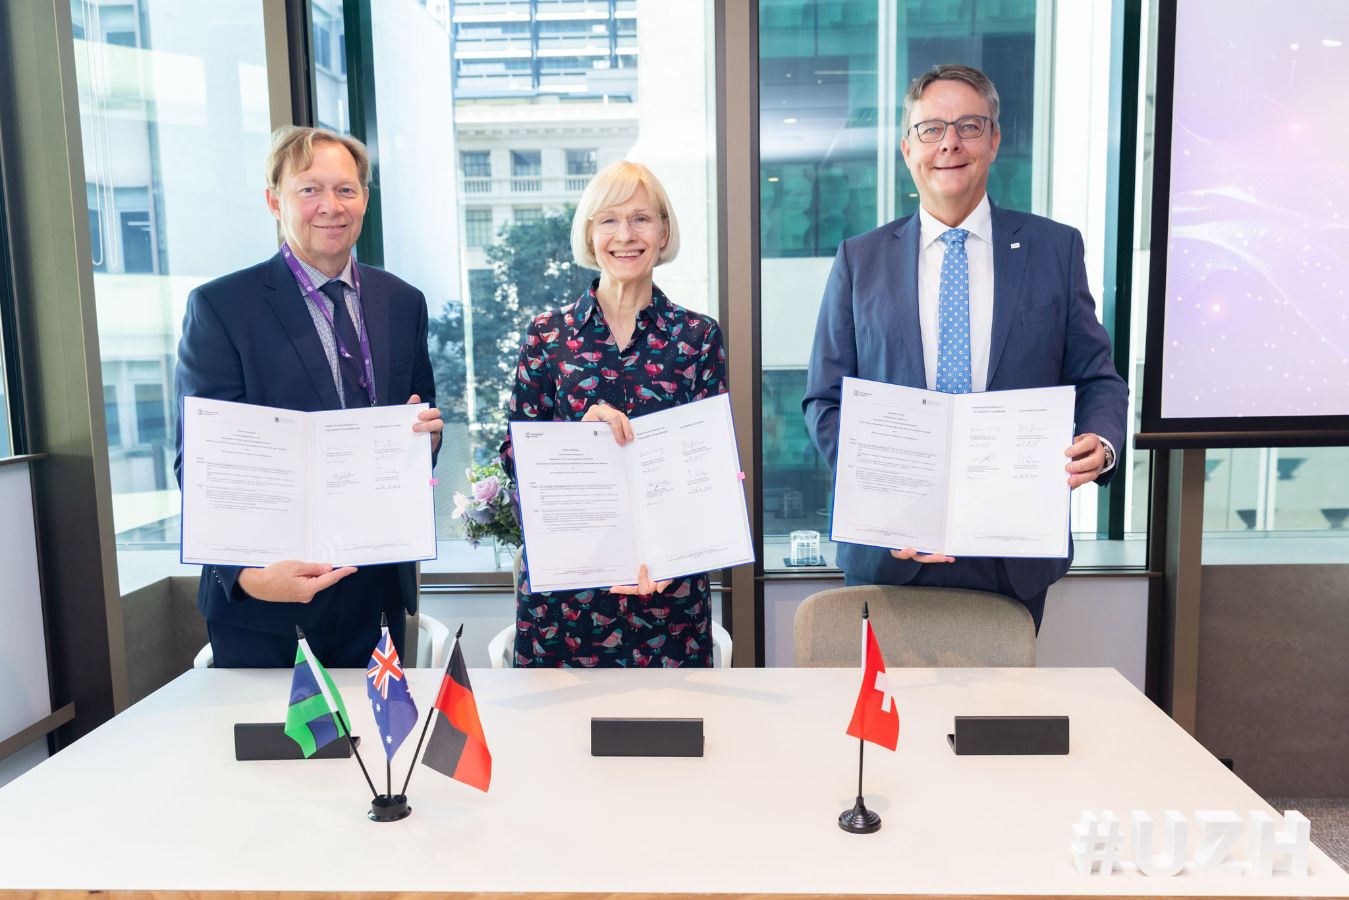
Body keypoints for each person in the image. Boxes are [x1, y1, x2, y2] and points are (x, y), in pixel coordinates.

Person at [803, 64, 1129, 630]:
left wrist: (1101, 444)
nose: (949, 143)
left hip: (1011, 552)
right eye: (931, 129)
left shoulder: (1054, 249)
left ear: (994, 140)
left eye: (969, 126)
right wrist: (881, 499)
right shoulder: (860, 259)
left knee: (997, 691)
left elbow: (1097, 378)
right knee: (888, 694)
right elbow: (824, 401)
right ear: (908, 149)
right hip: (891, 553)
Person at [174, 126, 442, 667]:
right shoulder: (222, 307)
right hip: (270, 599)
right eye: (309, 190)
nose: (330, 206)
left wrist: (425, 442)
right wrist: (246, 576)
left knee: (381, 726)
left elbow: (422, 420)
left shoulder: (403, 301)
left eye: (345, 189)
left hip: (376, 592)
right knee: (275, 729)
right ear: (275, 201)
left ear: (364, 199)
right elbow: (199, 463)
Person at [501, 161, 727, 667]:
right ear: (590, 233)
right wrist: (573, 441)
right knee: (559, 723)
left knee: (674, 719)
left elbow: (708, 468)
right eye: (609, 220)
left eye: (641, 219)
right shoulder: (548, 335)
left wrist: (675, 557)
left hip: (667, 594)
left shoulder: (698, 337)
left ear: (664, 231)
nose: (625, 235)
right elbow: (515, 457)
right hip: (566, 600)